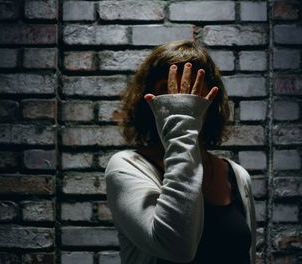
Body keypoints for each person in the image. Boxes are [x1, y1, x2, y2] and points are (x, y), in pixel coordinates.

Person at [105, 39, 257, 264]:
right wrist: (182, 122)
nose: (179, 98)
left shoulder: (236, 176)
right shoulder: (127, 166)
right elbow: (177, 247)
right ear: (149, 102)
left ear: (210, 101)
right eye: (167, 89)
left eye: (191, 88)